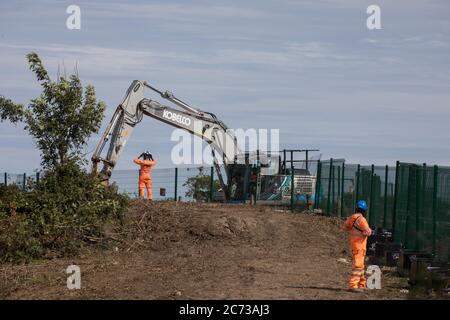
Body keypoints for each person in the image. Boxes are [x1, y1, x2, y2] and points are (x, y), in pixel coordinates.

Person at [342, 200, 373, 291]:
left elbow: (344, 228)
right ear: (364, 210)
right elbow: (368, 232)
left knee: (361, 265)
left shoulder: (351, 218)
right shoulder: (362, 219)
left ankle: (361, 284)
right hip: (360, 245)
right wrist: (365, 232)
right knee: (358, 266)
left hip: (354, 244)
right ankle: (353, 285)